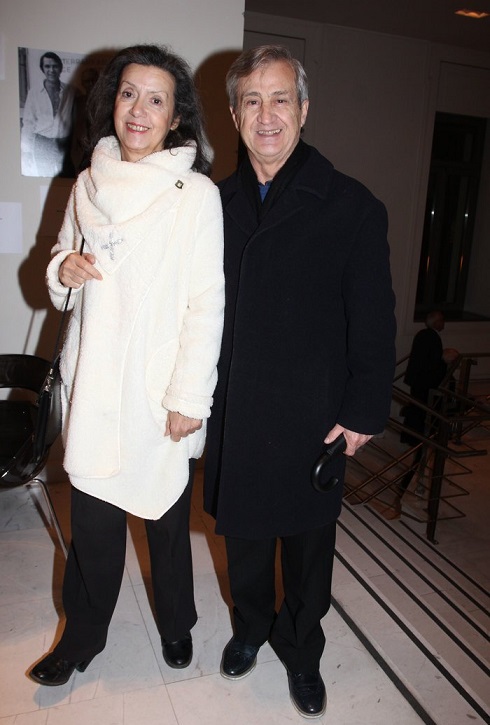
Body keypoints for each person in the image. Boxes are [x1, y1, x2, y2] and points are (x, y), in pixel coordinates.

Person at [203, 45, 396, 719]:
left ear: (304, 109)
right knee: (245, 541)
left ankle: (302, 647)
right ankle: (251, 627)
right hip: (237, 411)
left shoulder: (352, 206)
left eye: (280, 98)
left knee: (310, 551)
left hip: (313, 416)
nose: (267, 115)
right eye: (252, 100)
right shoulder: (212, 205)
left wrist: (364, 410)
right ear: (234, 115)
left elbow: (374, 321)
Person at [29, 44, 224, 687]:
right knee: (92, 529)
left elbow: (206, 305)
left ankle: (177, 625)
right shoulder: (87, 183)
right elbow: (61, 266)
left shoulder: (196, 196)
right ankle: (81, 639)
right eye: (128, 94)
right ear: (112, 102)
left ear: (176, 117)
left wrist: (188, 398)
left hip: (158, 392)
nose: (139, 110)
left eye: (156, 99)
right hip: (94, 388)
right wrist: (64, 268)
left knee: (165, 523)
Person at [399, 310, 458, 495]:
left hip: (418, 382)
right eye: (442, 320)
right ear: (437, 322)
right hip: (425, 384)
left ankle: (415, 438)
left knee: (418, 411)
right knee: (424, 414)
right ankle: (419, 439)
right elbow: (432, 363)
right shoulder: (432, 338)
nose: (444, 323)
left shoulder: (422, 335)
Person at [21, 51, 75, 177]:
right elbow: (28, 122)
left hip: (64, 143)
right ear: (42, 69)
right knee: (44, 179)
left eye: (55, 66)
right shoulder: (34, 93)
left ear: (60, 68)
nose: (51, 70)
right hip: (42, 143)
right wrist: (26, 151)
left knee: (67, 178)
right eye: (47, 66)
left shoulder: (71, 91)